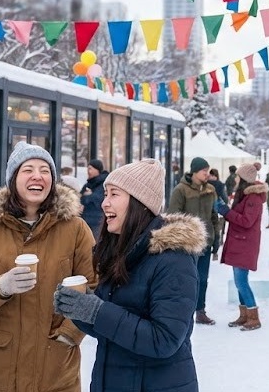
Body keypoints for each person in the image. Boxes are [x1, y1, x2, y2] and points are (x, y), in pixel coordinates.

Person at [54, 159, 206, 392]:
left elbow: (164, 340)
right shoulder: (122, 251)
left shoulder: (174, 259)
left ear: (139, 203)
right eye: (105, 194)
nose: (104, 203)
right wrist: (79, 307)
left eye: (114, 194)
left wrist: (97, 310)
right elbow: (112, 328)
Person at [0, 142, 96, 392]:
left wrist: (69, 334)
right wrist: (0, 287)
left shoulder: (75, 229)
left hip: (54, 369)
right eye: (28, 169)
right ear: (13, 179)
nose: (37, 176)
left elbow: (95, 289)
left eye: (45, 170)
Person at [167, 157, 219, 325]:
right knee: (186, 280)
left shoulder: (211, 190)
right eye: (204, 171)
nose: (207, 174)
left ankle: (200, 310)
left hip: (206, 242)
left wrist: (216, 238)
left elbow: (214, 216)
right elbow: (173, 217)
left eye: (208, 171)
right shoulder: (181, 190)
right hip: (187, 244)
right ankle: (184, 311)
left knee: (202, 279)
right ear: (195, 172)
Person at [216, 162, 267, 331]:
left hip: (245, 243)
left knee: (241, 282)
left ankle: (253, 317)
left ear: (244, 179)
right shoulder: (245, 195)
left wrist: (225, 212)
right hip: (240, 242)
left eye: (238, 176)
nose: (236, 179)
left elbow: (246, 221)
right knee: (240, 282)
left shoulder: (253, 198)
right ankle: (245, 315)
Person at [80, 159, 108, 239]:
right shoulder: (88, 185)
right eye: (88, 169)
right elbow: (79, 198)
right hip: (85, 221)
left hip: (97, 222)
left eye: (90, 168)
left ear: (97, 169)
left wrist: (87, 196)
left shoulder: (104, 184)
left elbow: (98, 199)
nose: (88, 171)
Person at [208, 168, 228, 261]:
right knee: (217, 231)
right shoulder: (220, 184)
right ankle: (215, 251)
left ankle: (210, 249)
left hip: (206, 210)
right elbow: (224, 197)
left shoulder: (205, 184)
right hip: (216, 211)